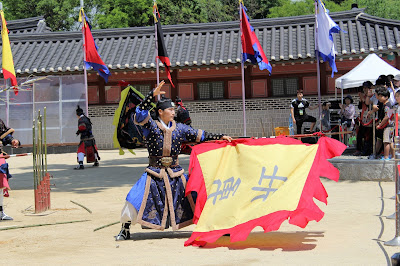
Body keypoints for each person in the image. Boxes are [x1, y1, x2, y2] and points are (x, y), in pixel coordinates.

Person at [115, 81, 232, 241]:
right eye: (170, 109)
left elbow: (201, 135)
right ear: (160, 111)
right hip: (154, 173)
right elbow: (140, 111)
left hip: (176, 173)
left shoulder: (180, 128)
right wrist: (151, 95)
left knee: (198, 195)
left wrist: (220, 137)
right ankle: (125, 229)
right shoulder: (150, 125)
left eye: (173, 109)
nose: (173, 111)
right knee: (134, 197)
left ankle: (213, 227)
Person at [75, 106, 100, 170]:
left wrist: (79, 131)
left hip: (85, 138)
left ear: (77, 114)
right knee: (93, 149)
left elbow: (82, 128)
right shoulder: (86, 118)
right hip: (91, 137)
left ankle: (81, 164)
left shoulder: (81, 120)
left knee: (81, 151)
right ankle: (96, 161)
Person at [354, 81, 373, 156]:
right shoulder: (363, 96)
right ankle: (359, 149)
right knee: (359, 134)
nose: (364, 89)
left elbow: (368, 105)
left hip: (369, 118)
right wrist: (361, 99)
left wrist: (364, 99)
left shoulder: (372, 96)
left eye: (366, 88)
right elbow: (359, 106)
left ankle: (366, 150)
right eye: (364, 88)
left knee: (368, 135)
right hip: (362, 117)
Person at [376, 88, 394, 160]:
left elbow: (387, 116)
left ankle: (386, 156)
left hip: (388, 126)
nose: (379, 98)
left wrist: (380, 125)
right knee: (390, 141)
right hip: (390, 126)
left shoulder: (387, 105)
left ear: (386, 96)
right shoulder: (386, 105)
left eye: (381, 96)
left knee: (386, 142)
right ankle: (392, 156)